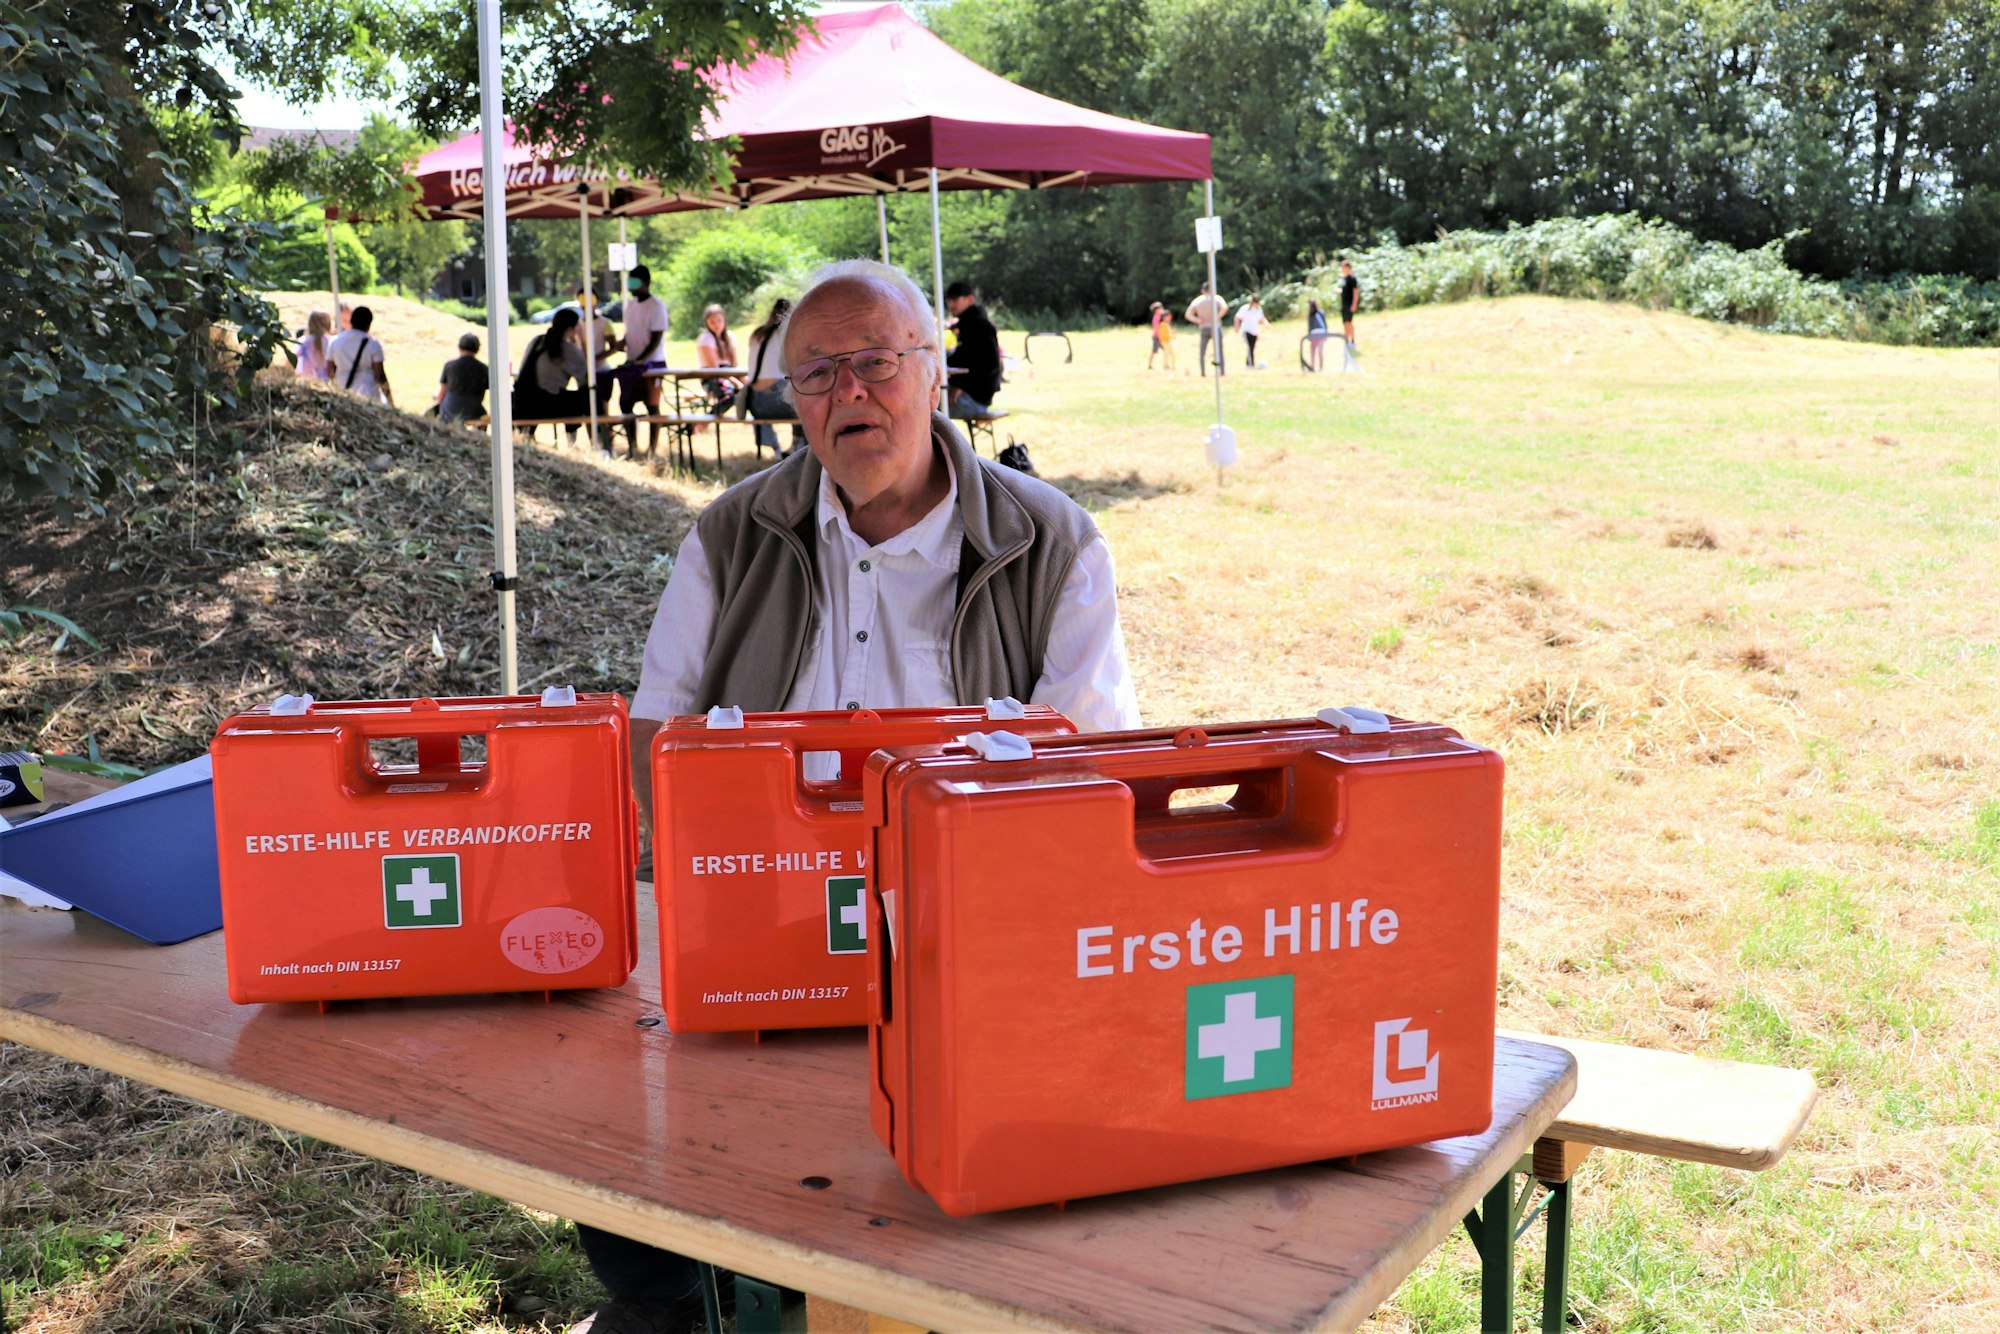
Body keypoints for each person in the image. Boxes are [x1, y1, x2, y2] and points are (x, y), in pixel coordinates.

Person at [582, 259, 1141, 1334]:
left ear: (934, 373)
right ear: (788, 398)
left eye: (876, 363)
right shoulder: (731, 534)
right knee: (618, 1173)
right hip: (760, 922)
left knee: (977, 1213)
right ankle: (698, 1303)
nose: (850, 395)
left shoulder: (1053, 541)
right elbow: (657, 732)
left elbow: (1090, 778)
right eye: (816, 374)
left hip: (970, 941)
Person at [512, 307, 591, 442]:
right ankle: (573, 441)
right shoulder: (569, 350)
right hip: (551, 405)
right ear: (572, 329)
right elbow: (585, 379)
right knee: (585, 397)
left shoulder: (536, 341)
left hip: (523, 402)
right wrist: (582, 342)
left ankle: (528, 438)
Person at [615, 264, 671, 455]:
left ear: (646, 283)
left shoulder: (656, 306)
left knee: (652, 405)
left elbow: (656, 339)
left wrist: (641, 360)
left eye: (635, 282)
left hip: (652, 363)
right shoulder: (630, 306)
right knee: (625, 402)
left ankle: (652, 449)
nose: (632, 286)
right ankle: (632, 445)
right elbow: (631, 332)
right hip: (632, 363)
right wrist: (622, 343)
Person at [740, 296, 801, 457]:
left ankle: (776, 448)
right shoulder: (787, 335)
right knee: (804, 396)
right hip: (778, 399)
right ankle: (798, 444)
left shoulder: (757, 334)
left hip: (755, 401)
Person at [942, 279, 1001, 418]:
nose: (950, 304)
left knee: (924, 409)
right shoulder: (969, 324)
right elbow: (964, 359)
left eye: (955, 299)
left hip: (974, 400)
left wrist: (961, 386)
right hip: (972, 395)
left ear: (969, 299)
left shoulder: (979, 326)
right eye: (948, 300)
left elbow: (989, 365)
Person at [326, 306, 392, 406]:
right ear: (369, 324)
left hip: (342, 393)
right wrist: (390, 400)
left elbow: (330, 371)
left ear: (351, 321)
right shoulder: (373, 345)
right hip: (368, 396)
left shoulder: (334, 342)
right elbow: (380, 376)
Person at [693, 303, 744, 412]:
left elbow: (734, 363)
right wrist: (736, 382)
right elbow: (714, 369)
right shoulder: (706, 339)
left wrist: (743, 380)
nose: (716, 324)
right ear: (707, 323)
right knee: (728, 395)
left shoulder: (730, 337)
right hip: (712, 377)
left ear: (724, 320)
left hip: (730, 374)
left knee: (753, 390)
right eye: (712, 322)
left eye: (719, 320)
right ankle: (701, 423)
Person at [435, 332, 488, 425]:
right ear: (477, 349)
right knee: (483, 414)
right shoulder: (484, 369)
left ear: (459, 347)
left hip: (449, 412)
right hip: (474, 413)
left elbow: (441, 394)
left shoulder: (450, 366)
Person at [1184, 283, 1228, 377]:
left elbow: (1188, 314)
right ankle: (1222, 371)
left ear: (1202, 290)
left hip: (1204, 327)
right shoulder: (1217, 298)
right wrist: (1216, 317)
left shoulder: (1198, 300)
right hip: (1216, 327)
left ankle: (1203, 371)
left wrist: (1197, 320)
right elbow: (1224, 307)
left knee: (1202, 351)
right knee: (1219, 350)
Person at [295, 309, 332, 382]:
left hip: (307, 381)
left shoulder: (304, 341)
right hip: (326, 382)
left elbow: (291, 358)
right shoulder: (331, 341)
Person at [1339, 259, 1362, 371]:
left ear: (1348, 267)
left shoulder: (1353, 279)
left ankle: (1352, 342)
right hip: (1343, 305)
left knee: (1349, 323)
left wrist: (1354, 304)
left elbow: (1355, 292)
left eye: (1343, 267)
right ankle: (1346, 341)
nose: (1342, 269)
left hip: (1349, 304)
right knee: (1344, 324)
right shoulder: (1344, 279)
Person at [1234, 293, 1267, 369]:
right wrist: (1236, 327)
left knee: (1252, 348)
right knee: (1249, 348)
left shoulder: (1258, 309)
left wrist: (1266, 323)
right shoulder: (1244, 308)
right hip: (1246, 330)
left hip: (1254, 331)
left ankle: (1249, 364)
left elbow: (1261, 318)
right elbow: (1237, 317)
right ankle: (1250, 365)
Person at [1303, 298, 1331, 372]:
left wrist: (1309, 336)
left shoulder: (1310, 314)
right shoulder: (1321, 312)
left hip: (1314, 333)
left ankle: (1312, 366)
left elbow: (1310, 326)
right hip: (1322, 332)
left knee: (1313, 350)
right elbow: (1325, 324)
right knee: (1320, 351)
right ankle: (1321, 367)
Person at [1147, 301, 1175, 371]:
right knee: (1154, 351)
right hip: (1157, 337)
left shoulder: (1160, 316)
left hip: (1161, 337)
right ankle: (1150, 364)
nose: (1162, 309)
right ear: (1156, 310)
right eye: (1160, 308)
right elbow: (1157, 328)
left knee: (1167, 351)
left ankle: (1166, 364)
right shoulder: (1156, 318)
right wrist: (1160, 337)